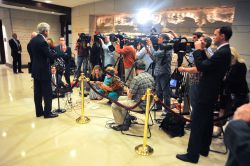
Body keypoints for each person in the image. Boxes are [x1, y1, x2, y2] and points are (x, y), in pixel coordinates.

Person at [176, 26, 232, 163]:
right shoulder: (223, 51)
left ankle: (192, 155)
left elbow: (202, 66)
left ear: (223, 36)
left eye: (215, 35)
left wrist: (198, 50)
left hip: (207, 91)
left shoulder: (222, 52)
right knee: (206, 122)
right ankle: (203, 149)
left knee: (197, 122)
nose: (213, 37)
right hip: (211, 91)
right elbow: (207, 65)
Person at [110, 60, 154, 131]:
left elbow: (130, 96)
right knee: (120, 98)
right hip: (148, 104)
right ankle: (126, 118)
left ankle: (121, 124)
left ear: (135, 69)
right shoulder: (150, 76)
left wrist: (127, 89)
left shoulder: (136, 79)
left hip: (139, 105)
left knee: (114, 105)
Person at [28, 22, 58, 118]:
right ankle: (47, 113)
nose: (48, 32)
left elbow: (33, 56)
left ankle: (39, 112)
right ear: (45, 31)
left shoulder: (32, 41)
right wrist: (57, 53)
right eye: (48, 31)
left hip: (35, 70)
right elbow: (50, 55)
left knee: (37, 93)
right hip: (44, 71)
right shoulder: (43, 41)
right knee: (47, 92)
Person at [148, 34, 172, 114]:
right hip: (158, 72)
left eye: (159, 37)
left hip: (164, 72)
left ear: (163, 39)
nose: (158, 39)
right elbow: (156, 59)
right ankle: (158, 107)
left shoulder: (167, 47)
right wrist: (149, 52)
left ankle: (167, 109)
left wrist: (150, 45)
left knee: (166, 92)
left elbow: (156, 54)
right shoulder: (161, 46)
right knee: (158, 91)